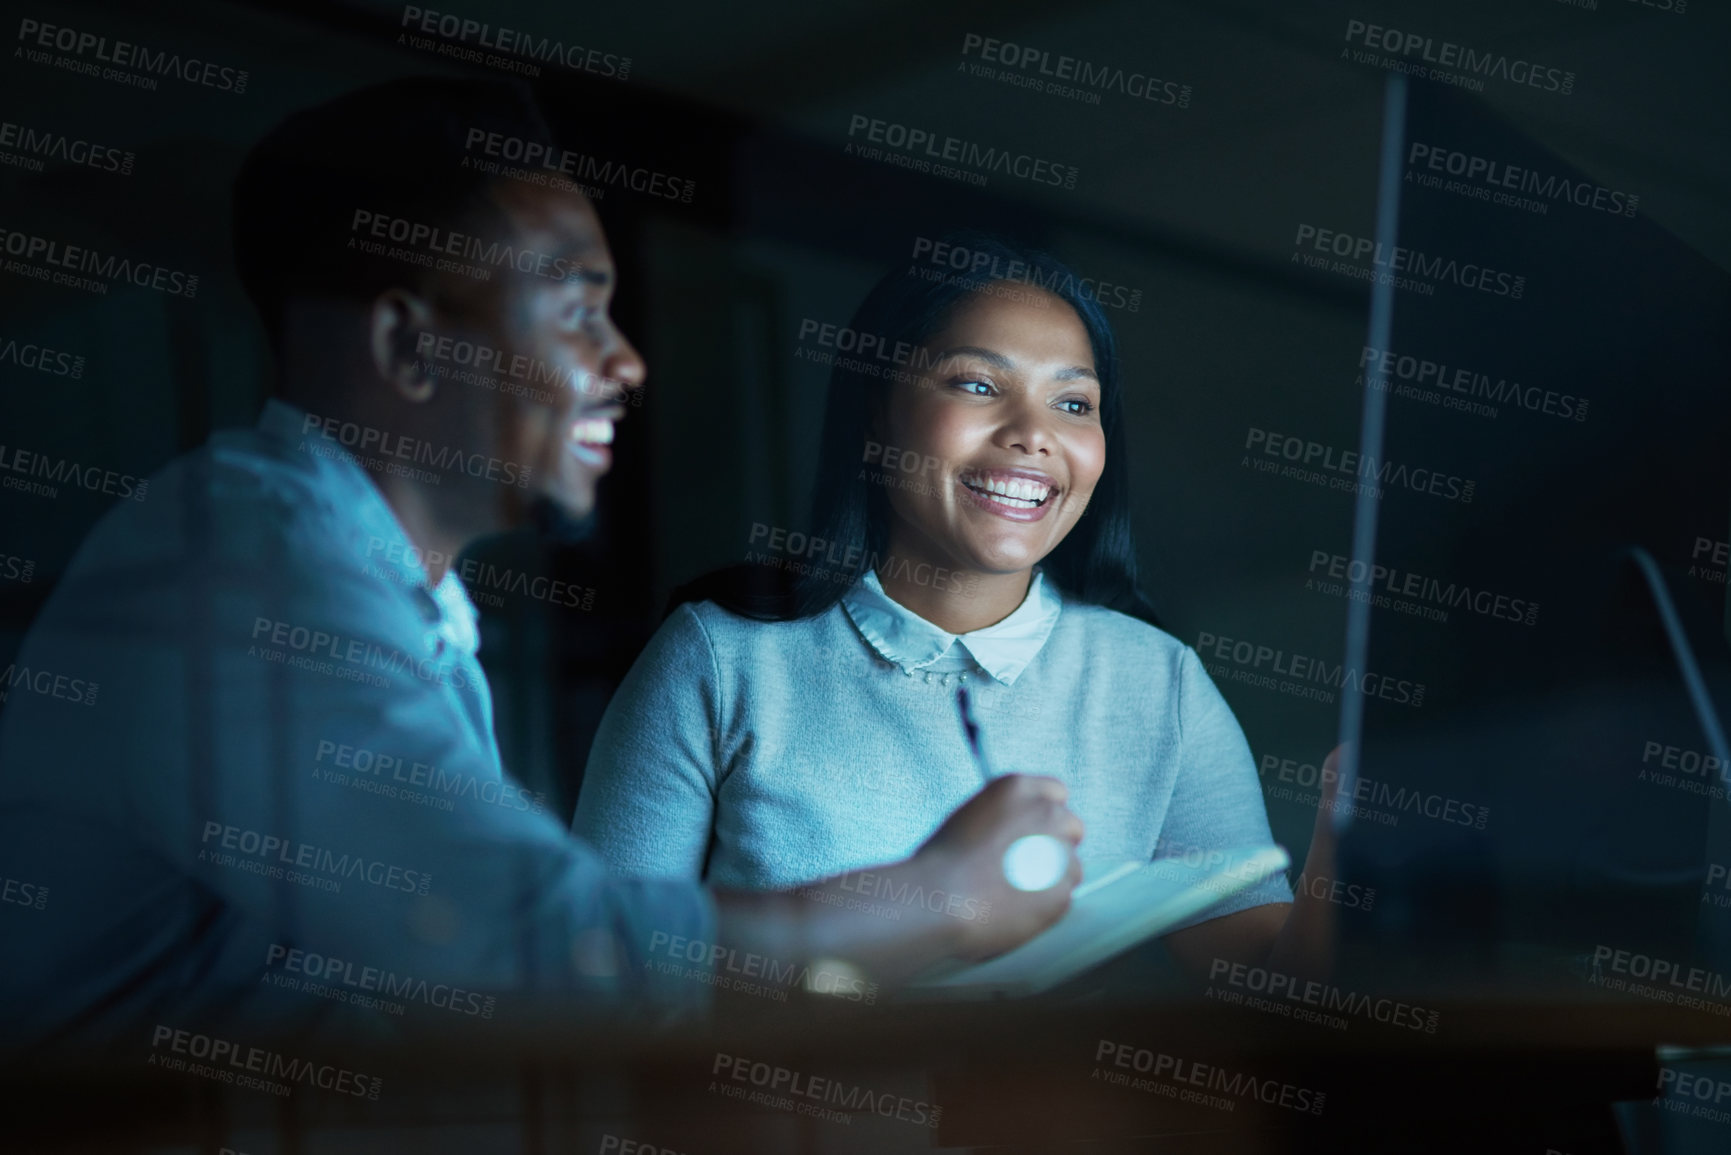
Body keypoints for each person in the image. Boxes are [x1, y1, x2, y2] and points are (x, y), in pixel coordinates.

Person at [0, 83, 1083, 1051]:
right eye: (577, 313)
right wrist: (937, 900)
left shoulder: (392, 591)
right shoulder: (246, 569)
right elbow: (533, 957)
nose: (626, 363)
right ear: (409, 349)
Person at [575, 234, 1340, 976]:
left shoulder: (1158, 682)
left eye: (1073, 402)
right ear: (876, 413)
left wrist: (1341, 835)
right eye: (977, 384)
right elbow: (597, 967)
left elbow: (1267, 995)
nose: (1033, 435)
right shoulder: (719, 658)